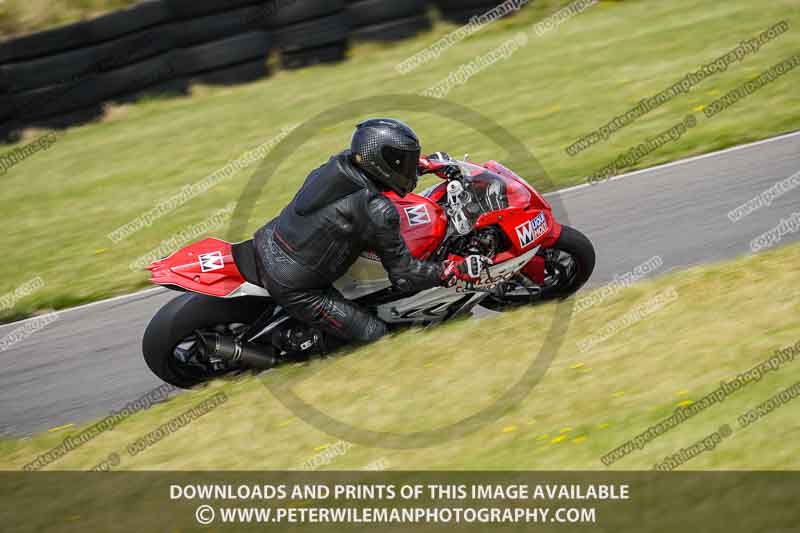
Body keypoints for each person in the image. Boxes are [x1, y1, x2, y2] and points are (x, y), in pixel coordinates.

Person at [253, 118, 488, 355]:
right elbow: (405, 276)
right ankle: (295, 346)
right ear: (383, 163)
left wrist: (425, 164)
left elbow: (377, 172)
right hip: (296, 286)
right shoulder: (376, 210)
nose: (409, 167)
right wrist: (452, 271)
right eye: (404, 162)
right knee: (378, 338)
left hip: (270, 240)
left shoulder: (340, 164)